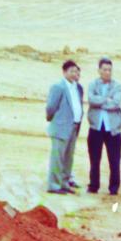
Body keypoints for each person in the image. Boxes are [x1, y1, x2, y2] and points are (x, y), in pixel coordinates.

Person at [45, 60, 83, 195]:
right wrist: (53, 121)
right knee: (57, 158)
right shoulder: (58, 87)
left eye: (75, 71)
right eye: (71, 71)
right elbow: (50, 107)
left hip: (74, 126)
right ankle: (54, 185)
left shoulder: (76, 87)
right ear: (64, 72)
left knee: (68, 157)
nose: (74, 74)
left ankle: (64, 183)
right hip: (61, 127)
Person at [87, 57, 121, 195]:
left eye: (109, 70)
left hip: (112, 129)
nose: (107, 72)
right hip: (96, 127)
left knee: (114, 160)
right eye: (104, 69)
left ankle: (114, 187)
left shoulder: (117, 85)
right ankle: (93, 185)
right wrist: (106, 99)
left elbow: (116, 103)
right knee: (94, 159)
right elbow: (91, 99)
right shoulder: (93, 84)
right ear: (99, 70)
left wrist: (99, 100)